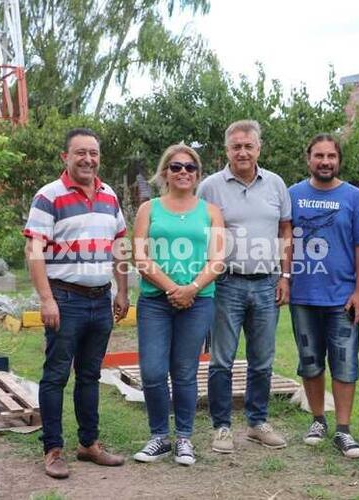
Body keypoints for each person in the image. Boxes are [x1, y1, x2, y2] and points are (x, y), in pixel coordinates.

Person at [24, 128, 130, 479]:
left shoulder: (109, 195)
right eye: (80, 152)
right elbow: (33, 251)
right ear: (65, 157)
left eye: (94, 153)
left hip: (100, 301)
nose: (88, 159)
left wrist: (123, 291)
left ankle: (88, 444)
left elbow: (119, 247)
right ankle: (53, 449)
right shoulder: (48, 196)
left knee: (90, 374)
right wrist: (46, 299)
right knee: (55, 376)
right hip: (64, 300)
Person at [197, 120, 292, 453]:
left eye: (248, 146)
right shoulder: (210, 187)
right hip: (226, 284)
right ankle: (222, 427)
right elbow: (199, 232)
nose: (242, 152)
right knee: (221, 360)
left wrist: (285, 276)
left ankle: (256, 423)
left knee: (262, 359)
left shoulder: (276, 185)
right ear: (227, 150)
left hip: (267, 284)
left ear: (258, 148)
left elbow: (285, 232)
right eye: (235, 146)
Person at [131, 144, 225, 466]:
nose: (183, 171)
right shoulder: (149, 209)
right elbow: (140, 257)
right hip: (156, 301)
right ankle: (159, 436)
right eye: (176, 167)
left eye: (190, 167)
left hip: (199, 302)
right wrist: (174, 288)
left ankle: (184, 437)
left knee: (185, 371)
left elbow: (218, 259)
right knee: (153, 370)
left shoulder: (210, 212)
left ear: (198, 175)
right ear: (165, 173)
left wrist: (192, 289)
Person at [288, 133, 359, 459]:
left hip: (342, 296)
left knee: (344, 362)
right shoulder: (292, 194)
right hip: (303, 294)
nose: (325, 162)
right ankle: (317, 419)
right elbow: (282, 238)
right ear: (308, 158)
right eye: (319, 156)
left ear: (338, 160)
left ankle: (343, 430)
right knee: (310, 361)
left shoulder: (353, 197)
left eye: (331, 156)